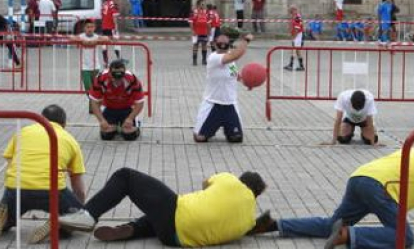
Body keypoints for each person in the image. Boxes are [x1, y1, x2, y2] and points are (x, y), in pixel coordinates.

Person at [248, 149, 414, 249]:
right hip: (380, 188)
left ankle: (274, 225)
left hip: (360, 176)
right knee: (404, 237)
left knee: (330, 225)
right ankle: (348, 234)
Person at [59, 169, 266, 247]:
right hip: (176, 239)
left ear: (242, 180)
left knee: (126, 176)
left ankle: (88, 215)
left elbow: (205, 184)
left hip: (178, 214)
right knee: (157, 212)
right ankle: (133, 229)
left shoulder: (230, 180)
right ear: (256, 195)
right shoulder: (249, 220)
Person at [0, 104, 86, 243]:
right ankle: (60, 223)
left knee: (8, 215)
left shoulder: (23, 132)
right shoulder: (70, 139)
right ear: (64, 124)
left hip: (16, 188)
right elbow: (79, 188)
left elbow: (10, 164)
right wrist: (79, 209)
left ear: (40, 119)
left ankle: (6, 218)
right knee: (81, 219)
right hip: (52, 190)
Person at [193, 33, 254, 143]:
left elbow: (235, 74)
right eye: (220, 43)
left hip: (230, 104)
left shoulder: (230, 59)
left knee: (236, 138)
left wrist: (246, 82)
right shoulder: (214, 58)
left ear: (228, 45)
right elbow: (236, 55)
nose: (222, 46)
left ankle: (226, 128)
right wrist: (246, 41)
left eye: (225, 44)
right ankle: (210, 127)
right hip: (213, 104)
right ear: (215, 45)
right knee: (200, 138)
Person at [89, 59, 145, 141]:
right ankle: (117, 127)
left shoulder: (132, 79)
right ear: (110, 74)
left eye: (120, 78)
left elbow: (140, 102)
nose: (117, 81)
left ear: (124, 73)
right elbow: (94, 101)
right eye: (115, 78)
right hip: (110, 108)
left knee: (129, 136)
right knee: (106, 135)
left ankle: (125, 127)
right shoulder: (100, 79)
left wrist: (130, 118)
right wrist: (101, 120)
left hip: (128, 108)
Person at [70, 19, 109, 113]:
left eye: (91, 27)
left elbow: (106, 38)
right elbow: (71, 37)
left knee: (96, 88)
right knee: (88, 88)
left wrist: (95, 41)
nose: (90, 29)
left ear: (95, 28)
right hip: (85, 67)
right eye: (87, 27)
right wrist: (83, 41)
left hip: (96, 66)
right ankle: (94, 105)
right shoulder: (81, 36)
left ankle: (93, 108)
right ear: (84, 28)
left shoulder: (96, 36)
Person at [101, 0, 121, 66]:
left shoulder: (104, 4)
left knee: (104, 44)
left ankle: (105, 61)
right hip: (111, 27)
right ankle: (118, 59)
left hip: (104, 26)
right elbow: (114, 16)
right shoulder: (112, 4)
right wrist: (116, 27)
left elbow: (102, 14)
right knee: (116, 43)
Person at [189, 0, 210, 66]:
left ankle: (204, 60)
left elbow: (209, 23)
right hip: (196, 32)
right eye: (202, 4)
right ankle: (194, 61)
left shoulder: (206, 12)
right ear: (198, 5)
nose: (203, 6)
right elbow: (191, 22)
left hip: (204, 32)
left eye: (204, 4)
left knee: (204, 46)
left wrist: (209, 32)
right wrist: (192, 31)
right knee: (195, 46)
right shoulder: (193, 12)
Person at [284, 5, 305, 71]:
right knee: (297, 50)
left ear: (293, 10)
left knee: (294, 49)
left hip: (298, 35)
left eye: (290, 10)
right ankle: (301, 66)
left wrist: (293, 38)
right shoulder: (294, 16)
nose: (289, 12)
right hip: (297, 35)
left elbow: (297, 29)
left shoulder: (297, 17)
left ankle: (291, 65)